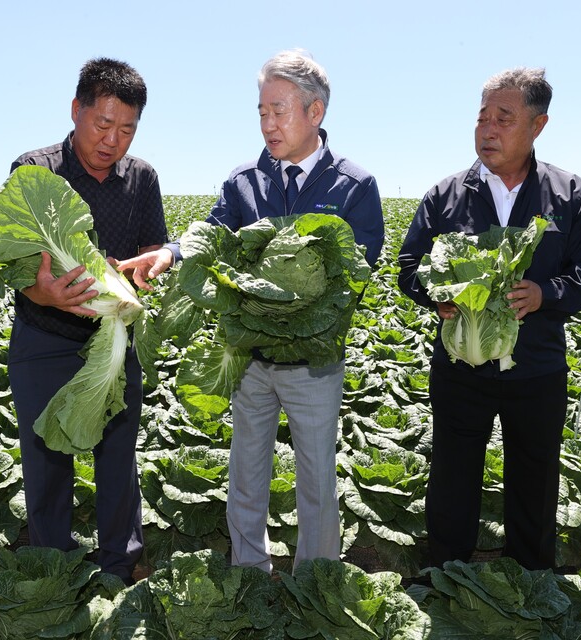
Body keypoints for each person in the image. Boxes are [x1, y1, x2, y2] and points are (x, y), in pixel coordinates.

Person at [117, 49, 384, 572]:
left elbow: (354, 274)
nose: (267, 123)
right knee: (246, 475)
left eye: (278, 110)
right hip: (251, 358)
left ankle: (317, 580)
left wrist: (292, 307)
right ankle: (248, 572)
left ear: (315, 112)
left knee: (317, 482)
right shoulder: (244, 181)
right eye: (261, 111)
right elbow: (212, 232)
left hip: (314, 362)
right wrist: (171, 252)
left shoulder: (355, 186)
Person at [397, 67, 581, 570]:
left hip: (536, 367)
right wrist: (436, 296)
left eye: (503, 118)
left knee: (535, 478)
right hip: (461, 368)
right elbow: (409, 267)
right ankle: (445, 573)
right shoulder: (445, 195)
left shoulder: (573, 195)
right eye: (482, 117)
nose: (488, 129)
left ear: (538, 126)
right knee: (452, 473)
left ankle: (531, 577)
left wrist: (546, 293)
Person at [6, 57, 168, 585]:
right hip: (44, 338)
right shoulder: (36, 171)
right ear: (76, 110)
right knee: (47, 456)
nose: (112, 140)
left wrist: (143, 270)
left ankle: (119, 564)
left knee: (118, 457)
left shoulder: (142, 178)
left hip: (114, 342)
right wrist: (46, 294)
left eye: (126, 130)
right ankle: (52, 566)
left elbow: (151, 247)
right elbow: (17, 261)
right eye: (102, 124)